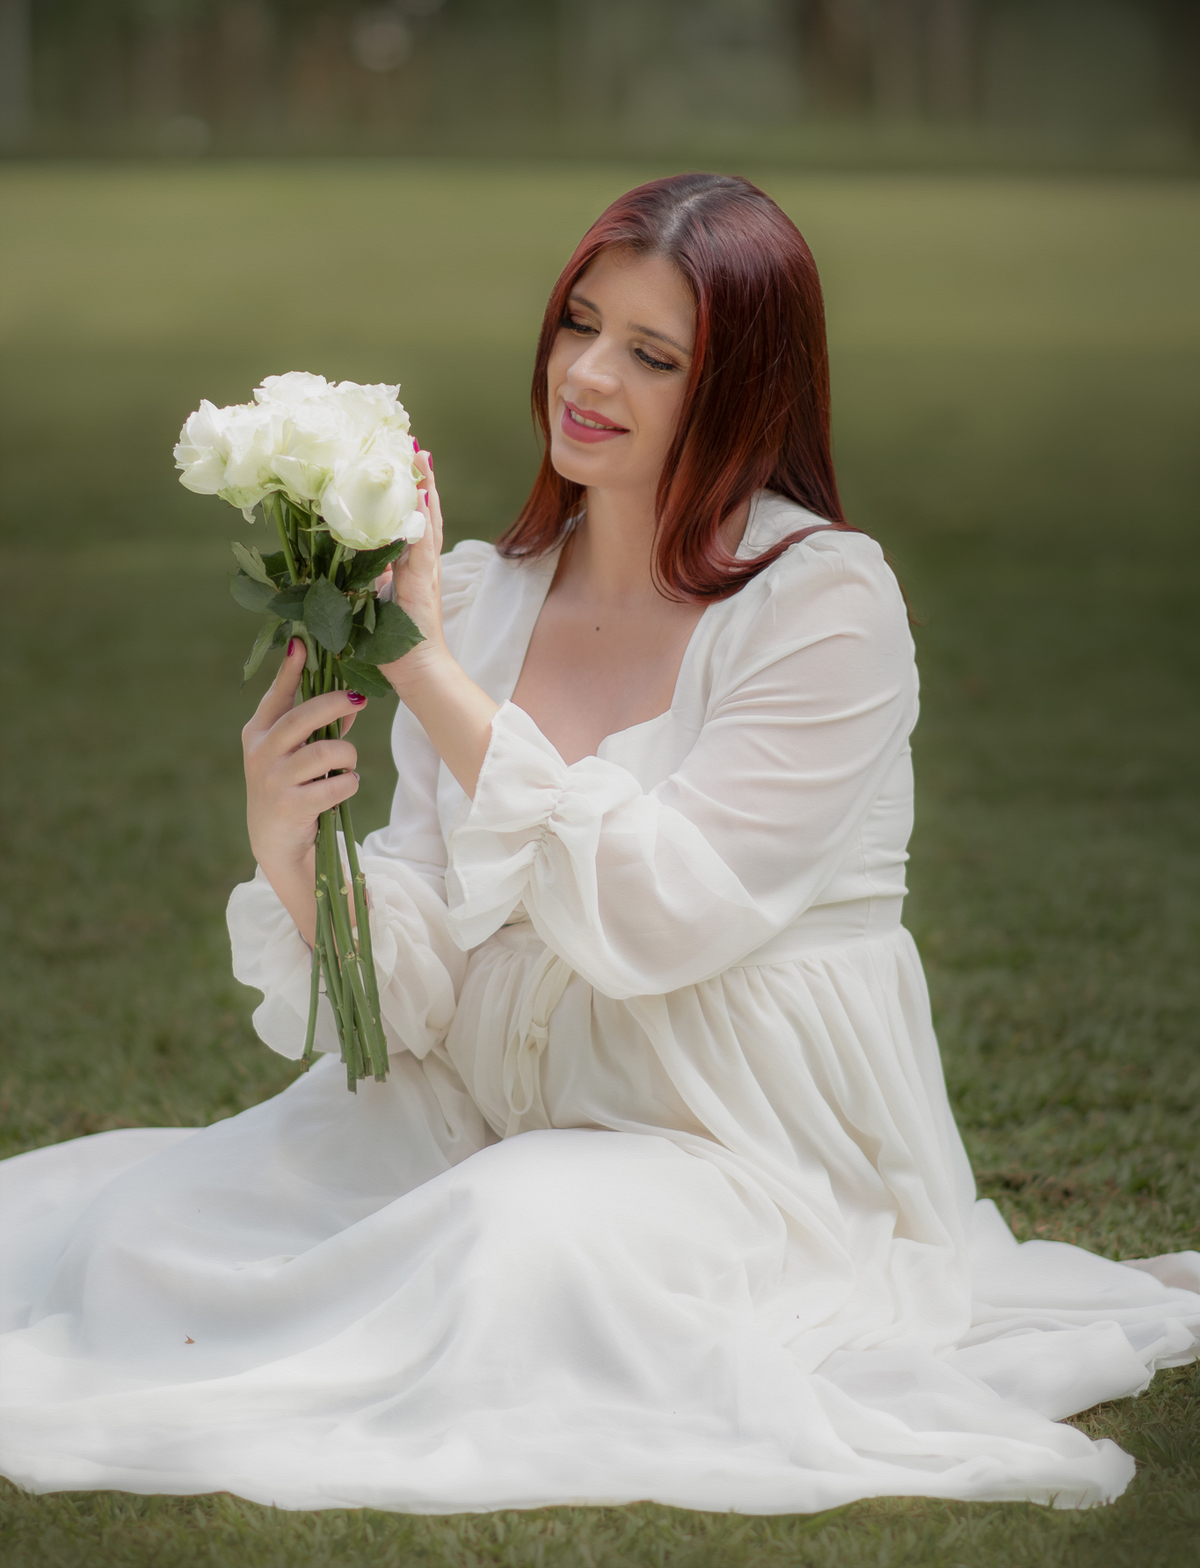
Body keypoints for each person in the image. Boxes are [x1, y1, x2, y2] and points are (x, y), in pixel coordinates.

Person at [1, 174, 1196, 1515]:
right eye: (580, 323)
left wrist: (428, 673)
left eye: (651, 353)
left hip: (729, 1141)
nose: (587, 372)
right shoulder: (487, 593)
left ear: (742, 388)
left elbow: (658, 915)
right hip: (486, 1098)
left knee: (503, 1247)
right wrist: (293, 851)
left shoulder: (824, 607)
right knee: (145, 1238)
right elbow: (417, 981)